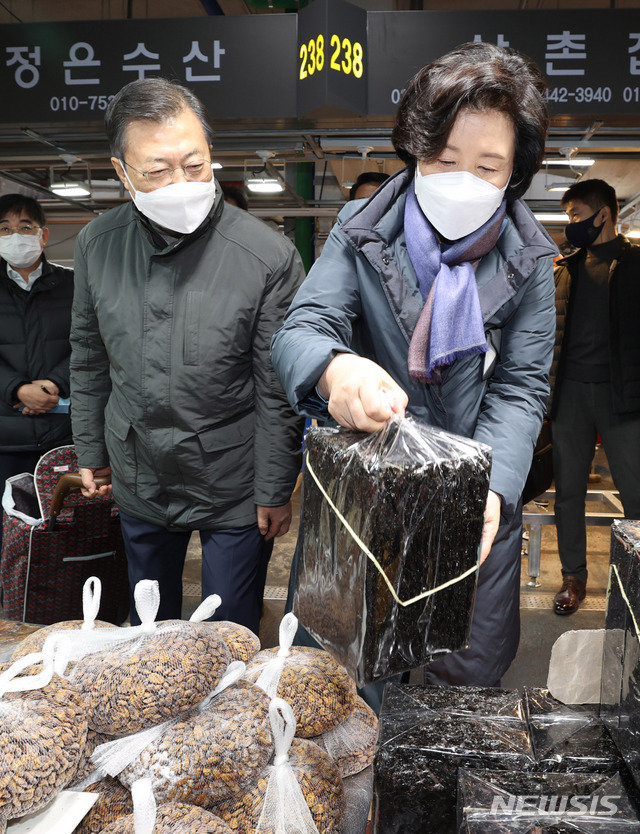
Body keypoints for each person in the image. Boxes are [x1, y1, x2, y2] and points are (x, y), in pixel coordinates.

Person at [272, 42, 556, 693]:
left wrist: (488, 488)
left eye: (488, 166)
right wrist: (338, 372)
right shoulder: (362, 227)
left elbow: (519, 386)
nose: (461, 181)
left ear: (515, 173)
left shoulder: (527, 259)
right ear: (415, 148)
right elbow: (302, 331)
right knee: (342, 678)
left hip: (473, 497)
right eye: (444, 159)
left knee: (460, 679)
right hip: (366, 488)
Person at [70, 78, 305, 632]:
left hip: (233, 480)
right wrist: (90, 449)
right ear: (122, 172)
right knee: (148, 625)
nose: (180, 182)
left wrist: (274, 487)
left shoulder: (266, 255)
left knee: (228, 631)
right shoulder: (98, 245)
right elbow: (88, 355)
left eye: (194, 164)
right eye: (156, 170)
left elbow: (276, 387)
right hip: (138, 470)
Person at [550, 179, 640, 615]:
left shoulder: (636, 264)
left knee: (634, 490)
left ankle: (634, 576)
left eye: (577, 215)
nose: (572, 226)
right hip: (571, 396)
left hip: (623, 397)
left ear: (604, 213)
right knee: (568, 490)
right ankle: (573, 577)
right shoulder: (565, 268)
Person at [0, 194, 73, 546]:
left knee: (61, 534)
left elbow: (92, 345)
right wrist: (16, 389)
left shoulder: (72, 285)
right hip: (5, 438)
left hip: (61, 435)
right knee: (8, 539)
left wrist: (53, 384)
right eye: (5, 229)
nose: (16, 236)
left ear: (43, 235)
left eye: (25, 227)